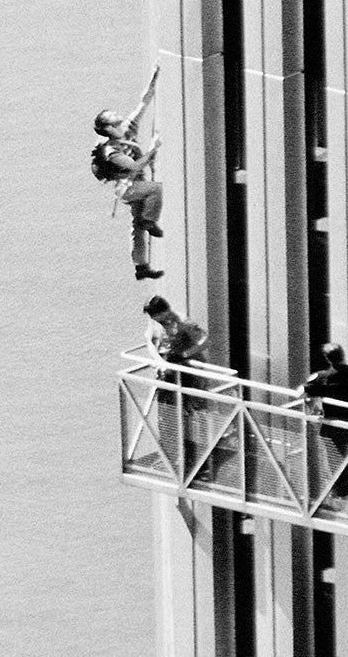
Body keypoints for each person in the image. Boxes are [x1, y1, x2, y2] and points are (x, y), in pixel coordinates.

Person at [94, 63, 165, 280]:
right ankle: (149, 220)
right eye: (113, 117)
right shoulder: (110, 150)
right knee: (155, 192)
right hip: (129, 186)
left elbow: (142, 104)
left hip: (134, 183)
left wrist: (154, 79)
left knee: (137, 228)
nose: (118, 117)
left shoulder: (125, 130)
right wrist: (154, 148)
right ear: (107, 127)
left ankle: (141, 267)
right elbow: (135, 166)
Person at [143, 296, 210, 479]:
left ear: (165, 311)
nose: (155, 319)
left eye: (156, 315)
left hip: (186, 374)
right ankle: (171, 459)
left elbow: (204, 340)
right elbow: (148, 340)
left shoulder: (182, 322)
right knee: (167, 417)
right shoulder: (155, 324)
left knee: (191, 418)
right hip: (168, 374)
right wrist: (158, 361)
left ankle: (196, 463)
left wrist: (185, 354)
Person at [302, 343, 348, 499]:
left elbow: (302, 393)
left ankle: (339, 490)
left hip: (330, 424)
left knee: (334, 457)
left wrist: (311, 406)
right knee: (344, 454)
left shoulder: (322, 377)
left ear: (327, 359)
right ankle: (343, 488)